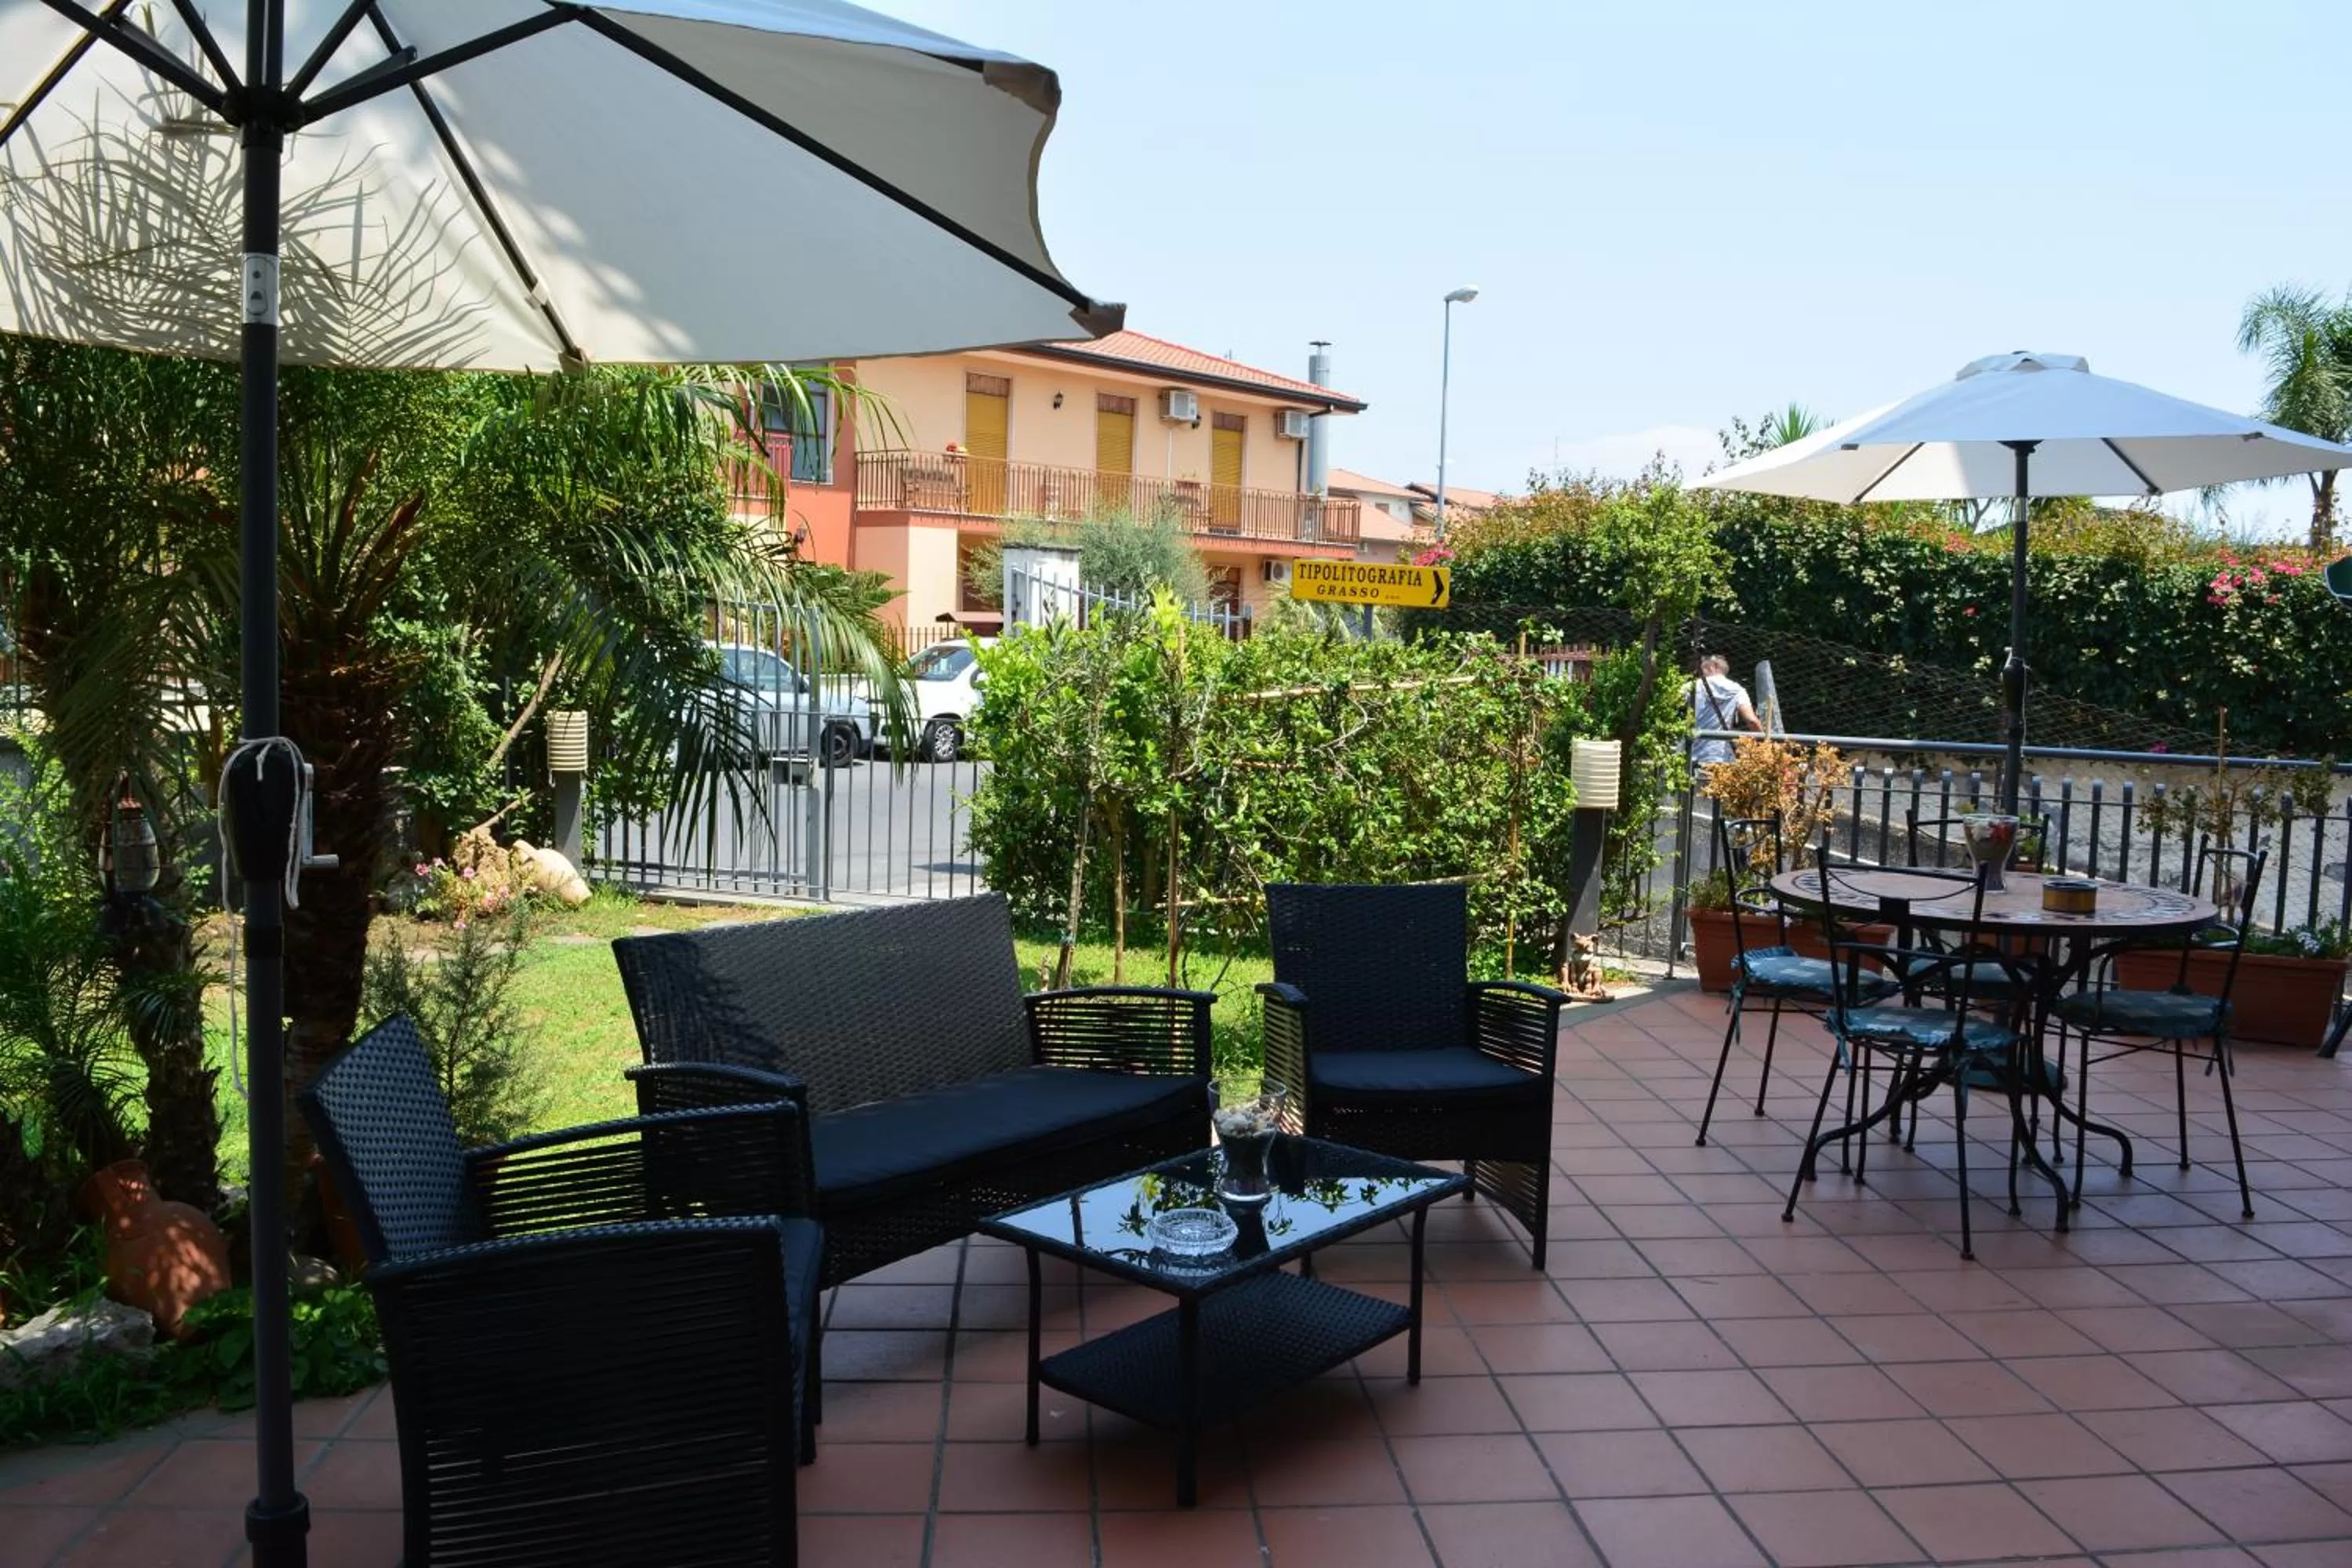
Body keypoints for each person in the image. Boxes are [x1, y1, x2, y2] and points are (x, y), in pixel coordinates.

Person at [1687, 654, 1761, 770]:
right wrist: (1765, 744)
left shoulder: (1693, 686)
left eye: (1703, 668)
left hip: (1692, 756)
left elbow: (1671, 703)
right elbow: (1752, 721)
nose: (1701, 673)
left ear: (1713, 667)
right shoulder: (1738, 690)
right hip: (1722, 760)